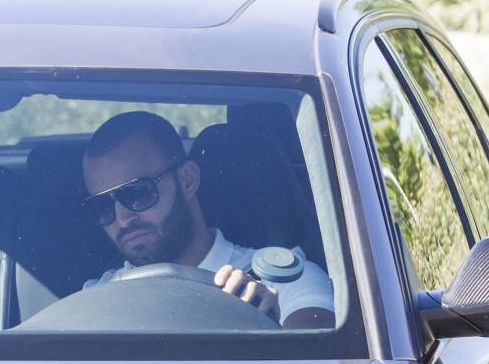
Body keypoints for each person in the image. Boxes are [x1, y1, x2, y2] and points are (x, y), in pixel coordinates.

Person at [81, 111, 335, 329]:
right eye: (102, 206)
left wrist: (265, 325)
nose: (122, 219)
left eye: (136, 193)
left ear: (187, 180)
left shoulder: (282, 278)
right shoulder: (94, 300)